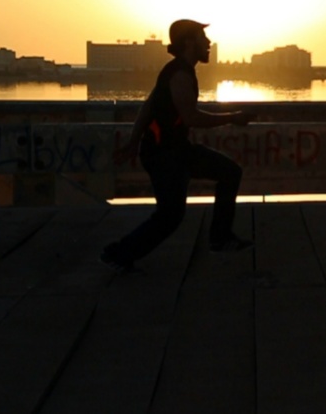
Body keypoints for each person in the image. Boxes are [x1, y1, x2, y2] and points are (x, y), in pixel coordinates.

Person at [102, 19, 254, 274]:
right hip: (165, 155)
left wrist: (133, 142)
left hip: (174, 151)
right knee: (170, 217)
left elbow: (147, 108)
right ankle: (117, 253)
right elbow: (191, 117)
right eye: (203, 38)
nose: (209, 43)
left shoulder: (175, 71)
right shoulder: (180, 74)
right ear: (189, 42)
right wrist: (233, 117)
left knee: (228, 173)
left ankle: (220, 239)